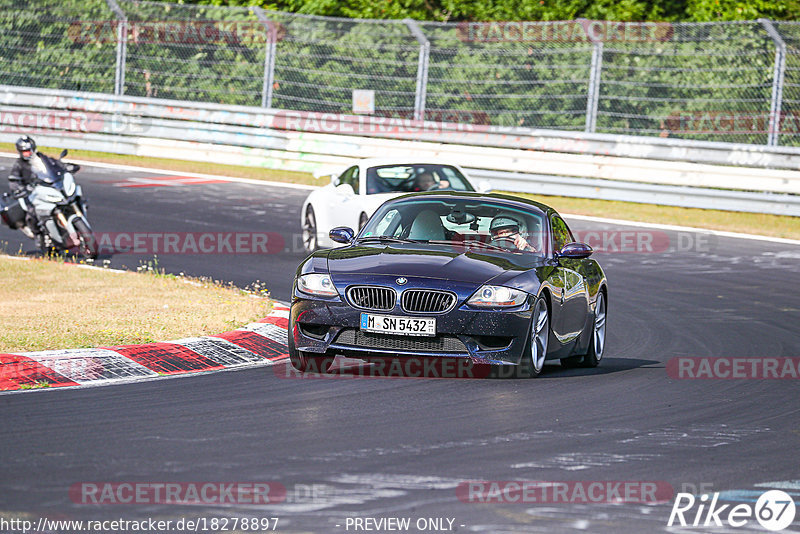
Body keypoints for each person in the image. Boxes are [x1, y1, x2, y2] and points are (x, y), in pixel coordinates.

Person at [8, 136, 41, 239]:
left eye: (28, 150)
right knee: (32, 212)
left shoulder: (41, 158)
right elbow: (13, 180)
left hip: (45, 188)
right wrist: (20, 189)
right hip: (30, 193)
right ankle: (38, 235)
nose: (27, 153)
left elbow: (53, 166)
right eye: (24, 151)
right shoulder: (19, 164)